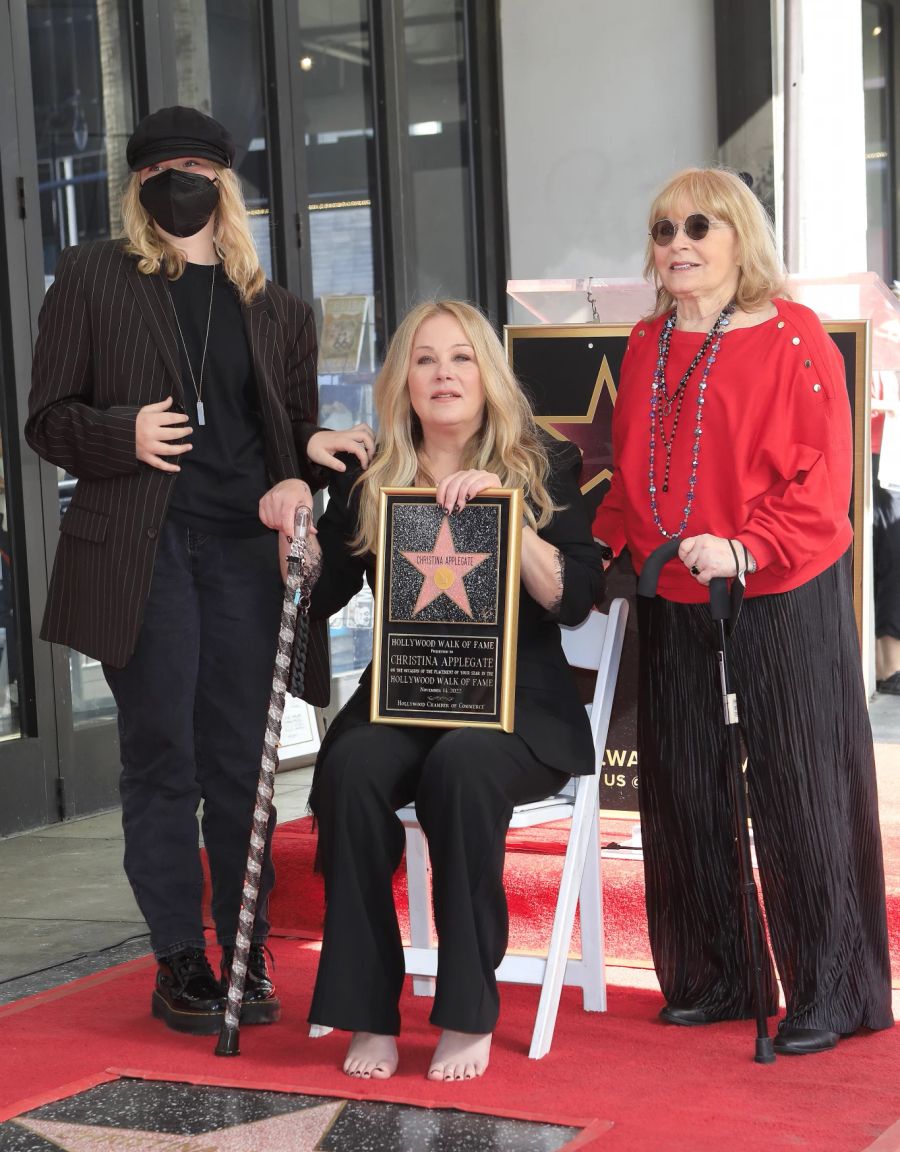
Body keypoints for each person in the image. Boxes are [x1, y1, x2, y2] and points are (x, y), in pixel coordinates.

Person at [25, 106, 373, 1034]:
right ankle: (180, 956)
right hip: (142, 555)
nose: (181, 181)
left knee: (241, 764)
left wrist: (312, 450)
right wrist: (120, 432)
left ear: (226, 182)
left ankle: (246, 946)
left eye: (199, 166)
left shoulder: (279, 308)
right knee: (163, 760)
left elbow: (285, 433)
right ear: (139, 187)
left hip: (242, 556)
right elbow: (46, 419)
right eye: (162, 169)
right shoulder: (96, 279)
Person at [593, 166, 893, 1056]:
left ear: (739, 238)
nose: (677, 243)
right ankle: (717, 976)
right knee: (685, 788)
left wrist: (746, 545)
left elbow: (820, 481)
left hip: (777, 590)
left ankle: (832, 992)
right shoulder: (647, 340)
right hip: (675, 591)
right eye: (662, 230)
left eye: (698, 226)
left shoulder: (793, 337)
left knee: (800, 790)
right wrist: (616, 543)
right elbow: (636, 469)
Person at [301, 300, 605, 1082]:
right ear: (403, 380)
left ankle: (468, 1009)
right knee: (352, 767)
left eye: (461, 358)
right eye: (426, 359)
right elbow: (322, 590)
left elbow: (573, 598)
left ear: (488, 375)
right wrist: (296, 525)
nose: (443, 374)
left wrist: (509, 519)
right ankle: (366, 1008)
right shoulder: (374, 473)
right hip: (406, 695)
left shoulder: (543, 462)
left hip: (517, 708)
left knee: (464, 766)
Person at [871, 370, 900, 692]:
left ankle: (888, 666)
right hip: (874, 457)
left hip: (891, 458)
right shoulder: (869, 322)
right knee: (889, 556)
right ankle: (888, 666)